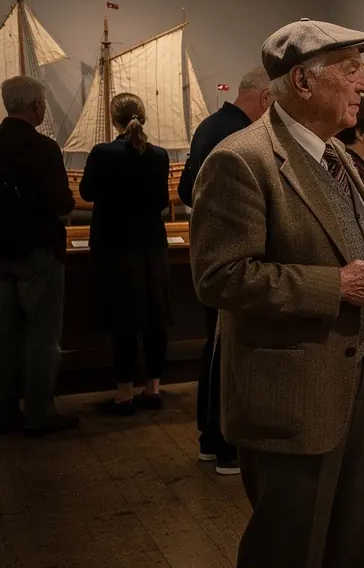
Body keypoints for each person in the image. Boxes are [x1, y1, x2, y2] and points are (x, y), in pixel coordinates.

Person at [189, 18, 364, 568]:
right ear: (302, 80)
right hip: (291, 390)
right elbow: (219, 277)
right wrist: (332, 285)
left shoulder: (339, 159)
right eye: (350, 68)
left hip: (357, 376)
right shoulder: (240, 161)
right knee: (284, 549)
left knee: (346, 540)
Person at [178, 67, 271, 474]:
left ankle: (209, 439)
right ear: (266, 97)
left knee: (213, 350)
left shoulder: (208, 126)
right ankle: (224, 445)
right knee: (225, 351)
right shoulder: (239, 137)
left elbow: (186, 190)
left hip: (212, 255)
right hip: (231, 262)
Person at [80, 93, 173, 415]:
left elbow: (87, 192)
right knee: (154, 319)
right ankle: (154, 388)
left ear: (114, 119)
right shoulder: (159, 156)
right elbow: (162, 200)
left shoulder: (103, 153)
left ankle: (124, 393)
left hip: (114, 248)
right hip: (152, 245)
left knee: (123, 321)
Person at [0, 75, 77, 436]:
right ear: (36, 106)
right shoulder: (45, 149)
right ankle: (39, 413)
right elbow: (61, 202)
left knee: (4, 338)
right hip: (39, 255)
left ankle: (4, 413)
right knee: (42, 339)